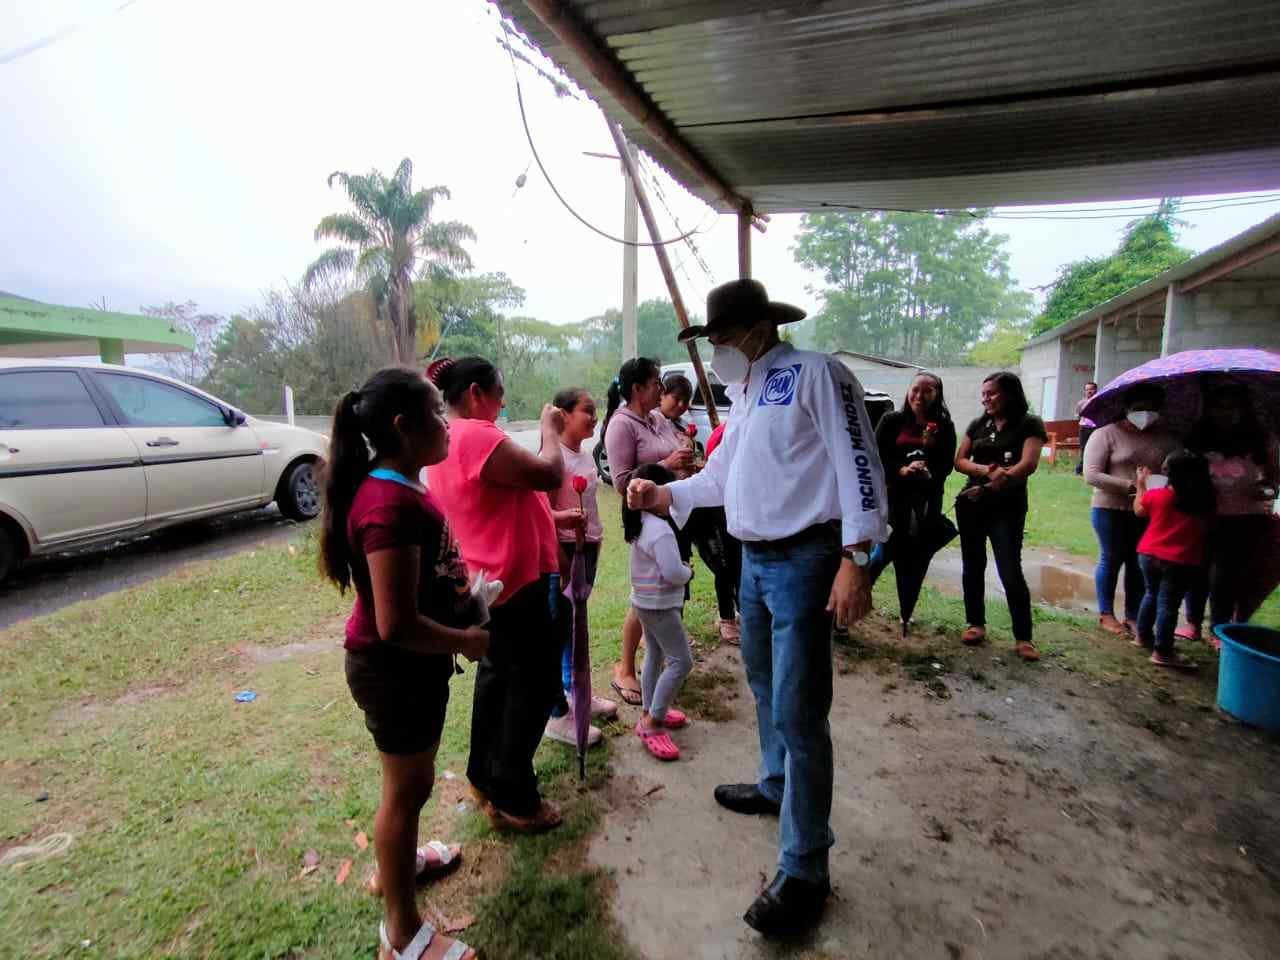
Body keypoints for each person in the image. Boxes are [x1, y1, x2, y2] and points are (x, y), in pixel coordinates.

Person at [626, 278, 889, 939]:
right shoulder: (747, 394)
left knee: (802, 710)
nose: (714, 349)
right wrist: (668, 495)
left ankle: (804, 869)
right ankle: (776, 784)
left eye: (719, 337)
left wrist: (855, 556)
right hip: (755, 560)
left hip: (806, 558)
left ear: (756, 328)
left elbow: (860, 461)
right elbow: (725, 477)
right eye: (709, 340)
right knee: (766, 683)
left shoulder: (816, 374)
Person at [318, 367, 485, 960]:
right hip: (393, 670)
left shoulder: (402, 485)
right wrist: (465, 640)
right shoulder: (386, 503)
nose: (447, 424)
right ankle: (402, 933)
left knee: (408, 786)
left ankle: (401, 863)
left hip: (412, 668)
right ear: (402, 426)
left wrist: (466, 600)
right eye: (438, 413)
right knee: (406, 789)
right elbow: (396, 625)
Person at [425, 356, 565, 834]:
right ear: (474, 394)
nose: (503, 402)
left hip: (486, 584)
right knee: (530, 688)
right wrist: (550, 429)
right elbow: (549, 474)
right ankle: (515, 798)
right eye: (499, 391)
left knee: (497, 682)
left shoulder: (448, 439)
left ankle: (484, 777)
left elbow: (501, 499)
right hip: (514, 583)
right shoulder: (476, 435)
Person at [601, 357, 694, 705]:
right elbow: (622, 483)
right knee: (644, 599)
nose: (661, 388)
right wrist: (666, 466)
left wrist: (683, 459)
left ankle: (659, 664)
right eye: (656, 382)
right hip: (647, 520)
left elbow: (673, 452)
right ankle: (625, 669)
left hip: (672, 515)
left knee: (663, 595)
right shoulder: (620, 426)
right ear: (638, 389)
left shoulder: (655, 419)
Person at [954, 371, 1048, 661]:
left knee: (1009, 568)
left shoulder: (1029, 423)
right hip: (971, 503)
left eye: (991, 393)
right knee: (973, 564)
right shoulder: (978, 424)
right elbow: (959, 461)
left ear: (1009, 393)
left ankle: (1023, 637)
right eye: (983, 394)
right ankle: (976, 623)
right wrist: (985, 472)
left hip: (1007, 507)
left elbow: (1029, 463)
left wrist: (1001, 479)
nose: (986, 398)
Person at [542, 387, 617, 748]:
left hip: (588, 548)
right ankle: (556, 713)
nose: (595, 416)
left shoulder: (583, 454)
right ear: (564, 415)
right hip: (564, 554)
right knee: (557, 632)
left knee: (577, 626)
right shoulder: (551, 457)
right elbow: (541, 514)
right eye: (588, 410)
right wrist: (561, 560)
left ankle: (578, 694)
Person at [1180, 380, 1280, 639]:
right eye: (1220, 407)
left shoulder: (1262, 441)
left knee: (1226, 575)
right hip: (1204, 515)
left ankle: (1219, 629)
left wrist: (1267, 488)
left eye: (1233, 407)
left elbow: (1273, 479)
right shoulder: (1197, 439)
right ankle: (1192, 622)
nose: (1226, 413)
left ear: (1243, 410)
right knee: (1197, 570)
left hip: (1246, 517)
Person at [1083, 384, 1181, 636]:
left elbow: (1176, 470)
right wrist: (1132, 487)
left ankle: (1133, 615)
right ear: (1126, 408)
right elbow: (1091, 474)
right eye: (1139, 408)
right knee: (1111, 557)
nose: (1145, 413)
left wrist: (1158, 488)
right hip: (1110, 507)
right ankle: (1106, 613)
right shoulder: (1106, 434)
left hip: (1150, 510)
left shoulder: (1168, 437)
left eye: (1151, 408)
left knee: (1138, 563)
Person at [867, 372, 957, 635]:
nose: (920, 395)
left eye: (928, 391)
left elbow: (946, 465)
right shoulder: (892, 420)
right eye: (916, 389)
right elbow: (875, 457)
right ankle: (851, 603)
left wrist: (930, 470)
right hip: (893, 502)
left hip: (926, 504)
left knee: (916, 559)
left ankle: (906, 614)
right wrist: (901, 470)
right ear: (908, 391)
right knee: (882, 553)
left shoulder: (944, 426)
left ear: (937, 395)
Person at [659, 370, 743, 643]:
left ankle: (729, 616)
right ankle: (670, 629)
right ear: (662, 395)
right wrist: (669, 466)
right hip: (672, 506)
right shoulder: (653, 426)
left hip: (701, 502)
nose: (682, 405)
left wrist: (697, 465)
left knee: (725, 560)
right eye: (677, 398)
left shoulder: (682, 426)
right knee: (677, 568)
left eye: (686, 400)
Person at [624, 462, 694, 761]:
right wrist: (687, 572)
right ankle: (652, 723)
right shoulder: (661, 531)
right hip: (661, 605)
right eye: (667, 493)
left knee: (654, 654)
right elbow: (671, 571)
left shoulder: (639, 522)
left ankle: (650, 710)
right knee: (681, 661)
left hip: (644, 602)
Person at [1133, 452, 1215, 669]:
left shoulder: (1159, 495)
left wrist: (1141, 485)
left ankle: (1142, 637)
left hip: (1148, 555)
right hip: (1180, 560)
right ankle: (1162, 651)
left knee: (1151, 595)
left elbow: (1139, 511)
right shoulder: (1205, 503)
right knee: (1168, 604)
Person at [1075, 381, 1098, 476]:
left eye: (1091, 389)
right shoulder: (1081, 403)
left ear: (1096, 390)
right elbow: (1077, 415)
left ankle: (1092, 469)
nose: (1089, 391)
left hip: (1095, 428)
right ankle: (1080, 469)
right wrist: (1080, 416)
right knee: (1084, 449)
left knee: (1095, 449)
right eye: (1087, 389)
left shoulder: (1099, 401)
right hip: (1084, 428)